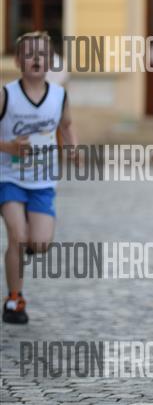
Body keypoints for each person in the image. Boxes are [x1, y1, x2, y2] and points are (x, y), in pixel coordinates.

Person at [0, 31, 78, 324]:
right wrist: (9, 147)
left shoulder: (59, 95)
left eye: (42, 54)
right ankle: (14, 299)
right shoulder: (6, 95)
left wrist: (72, 148)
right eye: (29, 54)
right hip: (9, 177)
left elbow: (66, 125)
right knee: (17, 238)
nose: (36, 59)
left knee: (41, 242)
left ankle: (31, 244)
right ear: (18, 61)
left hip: (43, 181)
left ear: (51, 62)